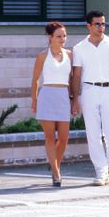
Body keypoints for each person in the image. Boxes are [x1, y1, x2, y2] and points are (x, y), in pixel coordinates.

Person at [71, 11, 109, 186]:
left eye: (103, 24)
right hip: (89, 91)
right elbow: (76, 75)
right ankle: (101, 170)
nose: (101, 27)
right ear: (88, 26)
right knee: (93, 134)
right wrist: (75, 99)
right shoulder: (79, 48)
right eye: (97, 24)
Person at [31, 22, 73, 187]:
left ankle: (54, 162)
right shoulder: (42, 56)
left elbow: (72, 79)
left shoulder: (70, 54)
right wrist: (34, 101)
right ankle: (56, 173)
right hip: (47, 96)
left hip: (63, 96)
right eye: (59, 36)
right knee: (50, 137)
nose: (63, 39)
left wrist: (74, 100)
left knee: (63, 139)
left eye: (64, 35)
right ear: (50, 38)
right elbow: (34, 80)